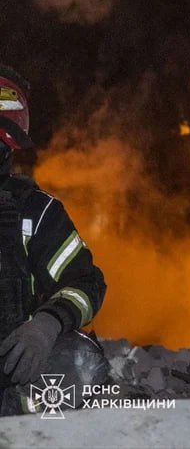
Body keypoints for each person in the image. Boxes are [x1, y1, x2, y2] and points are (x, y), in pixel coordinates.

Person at [0, 64, 109, 414]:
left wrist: (46, 325)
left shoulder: (35, 213)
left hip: (11, 362)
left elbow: (85, 283)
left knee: (79, 363)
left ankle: (26, 432)